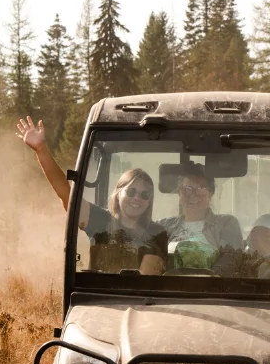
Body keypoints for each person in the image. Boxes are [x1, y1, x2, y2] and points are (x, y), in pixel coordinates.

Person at [16, 116, 166, 275]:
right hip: (94, 296)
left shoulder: (156, 233)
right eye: (131, 191)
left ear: (150, 201)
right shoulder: (100, 220)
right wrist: (41, 150)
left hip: (134, 300)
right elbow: (66, 193)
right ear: (118, 193)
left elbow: (145, 280)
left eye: (145, 194)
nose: (137, 198)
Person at [158, 162, 243, 273]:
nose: (193, 194)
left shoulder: (226, 223)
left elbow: (230, 260)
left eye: (200, 188)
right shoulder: (163, 225)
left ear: (211, 193)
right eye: (187, 189)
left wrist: (206, 281)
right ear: (179, 194)